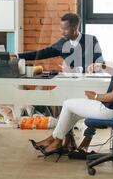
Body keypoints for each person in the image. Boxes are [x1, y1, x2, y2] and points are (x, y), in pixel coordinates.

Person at [33, 22, 113, 157]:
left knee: (68, 104)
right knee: (73, 113)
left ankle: (55, 141)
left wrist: (96, 96)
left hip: (110, 110)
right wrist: (102, 67)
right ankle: (55, 140)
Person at [20, 13, 104, 152]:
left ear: (75, 28)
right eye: (61, 28)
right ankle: (67, 139)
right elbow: (41, 53)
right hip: (71, 83)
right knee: (62, 99)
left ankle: (85, 139)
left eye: (64, 29)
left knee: (84, 104)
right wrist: (17, 56)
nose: (61, 31)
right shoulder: (62, 43)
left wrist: (79, 69)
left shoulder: (91, 40)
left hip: (90, 82)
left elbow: (99, 62)